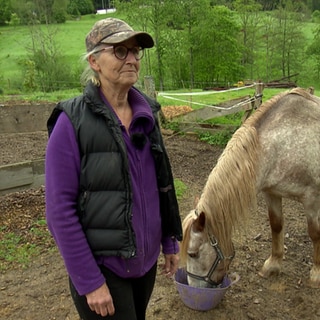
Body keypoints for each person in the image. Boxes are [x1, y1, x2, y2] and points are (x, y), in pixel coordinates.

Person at [45, 17, 183, 320]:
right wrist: (90, 282)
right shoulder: (72, 122)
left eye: (135, 51)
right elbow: (59, 210)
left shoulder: (146, 113)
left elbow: (160, 183)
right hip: (104, 269)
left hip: (144, 265)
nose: (132, 59)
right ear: (94, 61)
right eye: (120, 51)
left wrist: (169, 240)